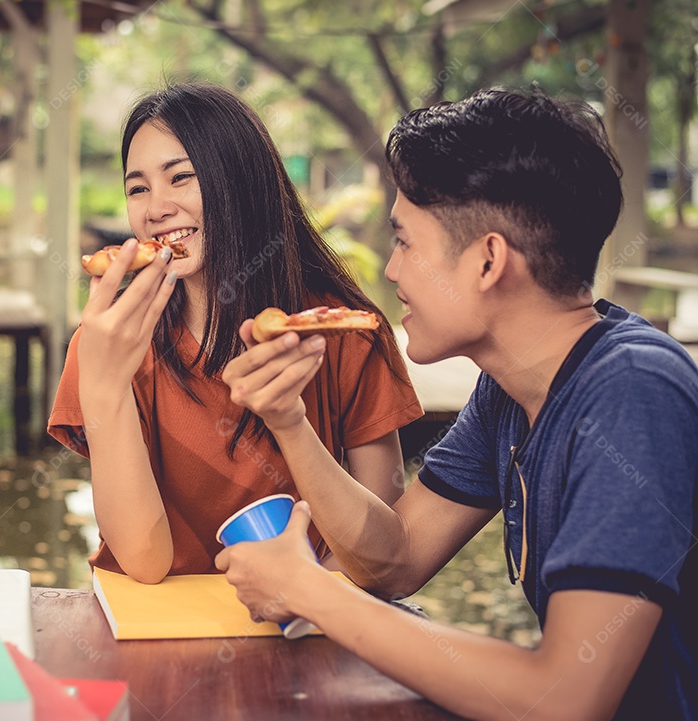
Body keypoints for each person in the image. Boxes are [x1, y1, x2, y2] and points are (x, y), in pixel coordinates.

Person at [217, 88, 698, 719]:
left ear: (488, 260)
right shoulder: (510, 390)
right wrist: (289, 419)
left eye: (405, 242)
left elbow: (565, 698)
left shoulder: (633, 390)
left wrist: (311, 593)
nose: (391, 271)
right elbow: (396, 561)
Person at [48, 83, 423, 584]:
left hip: (311, 631)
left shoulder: (342, 331)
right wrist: (103, 385)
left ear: (241, 183)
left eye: (180, 178)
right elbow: (143, 561)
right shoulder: (105, 344)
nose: (154, 208)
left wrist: (306, 607)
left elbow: (383, 560)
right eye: (138, 188)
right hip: (156, 633)